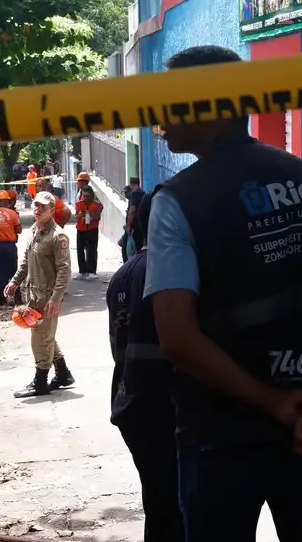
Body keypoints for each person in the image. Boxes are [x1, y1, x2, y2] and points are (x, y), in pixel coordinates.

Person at [146, 45, 302, 541]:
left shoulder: (177, 201)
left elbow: (176, 336)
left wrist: (273, 402)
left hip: (221, 434)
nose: (159, 119)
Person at [108, 189, 184, 541]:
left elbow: (116, 345)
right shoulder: (176, 269)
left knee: (159, 501)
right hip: (166, 404)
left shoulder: (123, 274)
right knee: (178, 504)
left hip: (131, 402)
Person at [6, 191, 76, 397]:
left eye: (42, 207)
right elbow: (26, 263)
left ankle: (40, 382)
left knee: (40, 338)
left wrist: (56, 298)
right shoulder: (34, 231)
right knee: (46, 335)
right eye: (35, 206)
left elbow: (65, 270)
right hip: (33, 294)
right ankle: (63, 374)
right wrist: (14, 282)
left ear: (52, 210)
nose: (37, 210)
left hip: (47, 297)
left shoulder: (57, 236)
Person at [75, 186, 103, 280]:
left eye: (87, 196)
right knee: (80, 250)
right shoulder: (79, 204)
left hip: (92, 229)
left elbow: (98, 216)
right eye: (84, 196)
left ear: (91, 195)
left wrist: (90, 213)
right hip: (81, 229)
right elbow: (76, 217)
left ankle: (92, 271)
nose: (85, 198)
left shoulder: (97, 204)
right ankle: (82, 271)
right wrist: (80, 214)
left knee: (92, 249)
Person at [124, 177, 146, 261]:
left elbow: (132, 211)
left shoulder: (134, 194)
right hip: (141, 226)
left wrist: (128, 226)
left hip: (134, 228)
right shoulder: (143, 193)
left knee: (130, 252)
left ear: (131, 184)